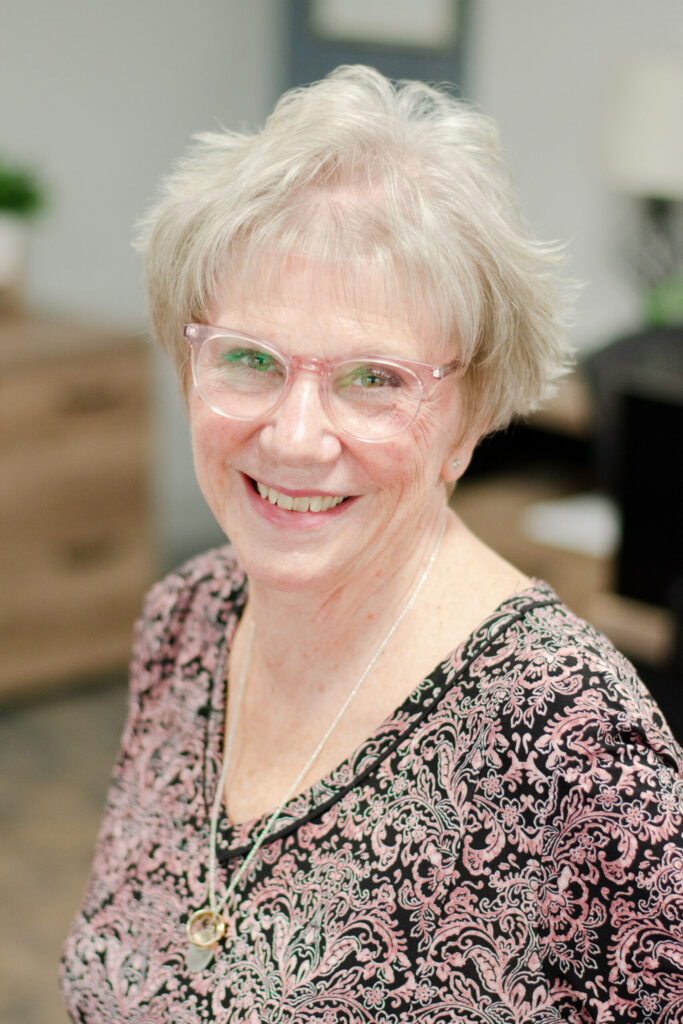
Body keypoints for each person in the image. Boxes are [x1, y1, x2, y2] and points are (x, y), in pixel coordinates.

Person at [61, 65, 683, 1022]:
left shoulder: (578, 740)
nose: (296, 437)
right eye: (249, 359)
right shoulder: (184, 619)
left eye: (373, 379)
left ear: (470, 417)